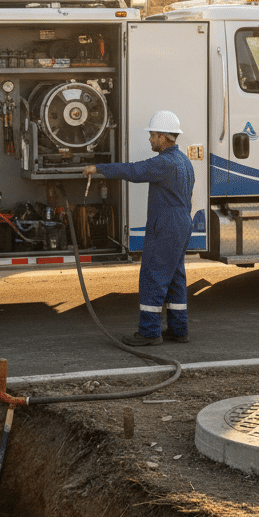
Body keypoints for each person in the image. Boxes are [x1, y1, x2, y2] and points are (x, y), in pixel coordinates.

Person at [83, 110, 195, 345]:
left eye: (153, 135)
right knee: (175, 277)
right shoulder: (184, 161)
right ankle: (179, 329)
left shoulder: (163, 162)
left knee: (153, 277)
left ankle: (149, 332)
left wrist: (98, 168)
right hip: (182, 221)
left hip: (166, 225)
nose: (150, 139)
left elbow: (134, 171)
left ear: (163, 137)